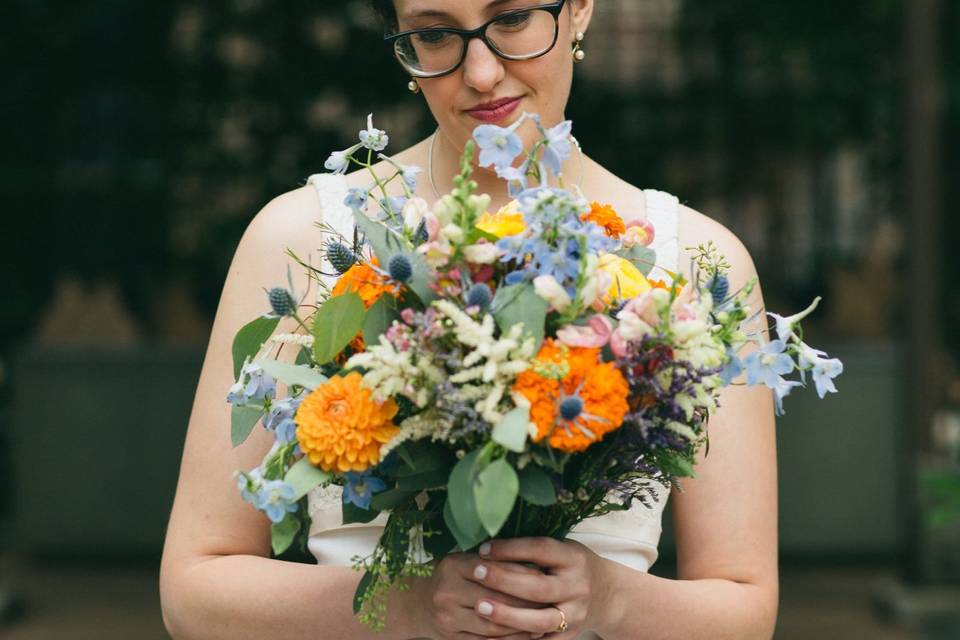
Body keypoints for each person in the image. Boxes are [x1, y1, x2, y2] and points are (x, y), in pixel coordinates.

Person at [159, 1, 779, 638]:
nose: (481, 72)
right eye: (434, 34)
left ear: (581, 9)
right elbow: (195, 589)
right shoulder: (304, 236)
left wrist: (607, 597)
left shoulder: (697, 262)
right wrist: (409, 606)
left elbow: (744, 609)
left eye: (511, 19)